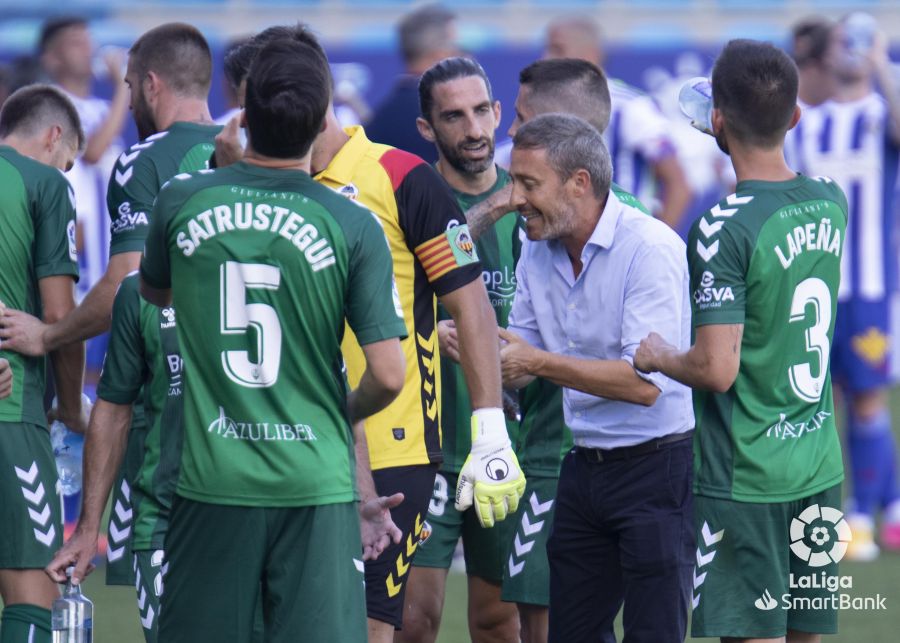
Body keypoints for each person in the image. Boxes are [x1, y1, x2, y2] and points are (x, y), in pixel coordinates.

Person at [214, 26, 523, 643]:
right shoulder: (231, 181)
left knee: (378, 627)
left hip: (390, 446)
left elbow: (471, 305)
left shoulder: (401, 177)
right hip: (267, 444)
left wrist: (490, 432)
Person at [139, 37, 408, 642]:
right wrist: (336, 412)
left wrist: (223, 171)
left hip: (212, 477)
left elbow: (156, 293)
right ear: (321, 120)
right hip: (313, 481)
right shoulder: (351, 221)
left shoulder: (183, 199)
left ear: (242, 114)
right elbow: (389, 375)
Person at [635, 39, 847, 643]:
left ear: (717, 122)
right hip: (819, 464)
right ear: (796, 117)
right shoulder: (830, 200)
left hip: (746, 480)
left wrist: (656, 356)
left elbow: (716, 369)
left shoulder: (720, 229)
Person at [1, 22, 222, 589]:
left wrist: (49, 340)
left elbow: (123, 280)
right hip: (260, 401)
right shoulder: (253, 156)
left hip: (164, 395)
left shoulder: (144, 160)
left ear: (149, 85)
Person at [500, 113, 694, 643]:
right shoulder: (537, 249)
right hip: (584, 468)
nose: (514, 197)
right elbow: (516, 353)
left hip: (658, 469)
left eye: (528, 183)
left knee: (654, 634)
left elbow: (642, 385)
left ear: (579, 182)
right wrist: (465, 342)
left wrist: (534, 363)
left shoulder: (649, 247)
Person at [396, 56, 521, 643]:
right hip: (432, 444)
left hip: (515, 441)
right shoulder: (409, 198)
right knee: (414, 622)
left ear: (498, 114)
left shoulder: (538, 195)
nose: (472, 129)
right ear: (427, 129)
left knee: (499, 620)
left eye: (480, 112)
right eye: (453, 116)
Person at [789, 13, 900, 561]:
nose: (853, 50)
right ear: (826, 56)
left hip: (873, 288)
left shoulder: (884, 113)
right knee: (823, 401)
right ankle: (851, 511)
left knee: (869, 397)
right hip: (817, 288)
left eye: (863, 41)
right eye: (843, 42)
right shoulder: (808, 125)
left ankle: (866, 513)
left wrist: (884, 62)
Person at [44, 273, 183, 643]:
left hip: (261, 509)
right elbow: (114, 407)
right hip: (165, 511)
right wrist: (89, 528)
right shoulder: (139, 290)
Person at [0, 84, 89, 643]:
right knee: (36, 591)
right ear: (55, 137)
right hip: (12, 411)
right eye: (71, 161)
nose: (68, 171)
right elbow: (60, 316)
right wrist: (69, 403)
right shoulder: (45, 184)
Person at [541, 16, 691, 230]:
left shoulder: (629, 106)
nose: (546, 59)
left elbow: (678, 184)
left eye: (557, 49)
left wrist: (657, 244)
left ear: (590, 55)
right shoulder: (550, 109)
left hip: (625, 240)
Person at [39, 17, 129, 324]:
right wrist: (124, 88)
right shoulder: (51, 104)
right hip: (82, 262)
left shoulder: (103, 108)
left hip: (111, 259)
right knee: (82, 365)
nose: (88, 49)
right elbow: (91, 152)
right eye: (75, 43)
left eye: (88, 40)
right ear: (52, 58)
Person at [366, 3, 459, 162]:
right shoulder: (448, 120)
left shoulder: (377, 120)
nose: (464, 56)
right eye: (457, 47)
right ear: (441, 55)